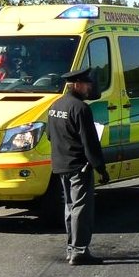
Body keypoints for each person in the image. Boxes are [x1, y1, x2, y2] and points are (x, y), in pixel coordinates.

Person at [47, 67, 109, 266]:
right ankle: (80, 251)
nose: (89, 87)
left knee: (69, 208)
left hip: (60, 164)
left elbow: (49, 135)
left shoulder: (55, 106)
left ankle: (71, 248)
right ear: (77, 84)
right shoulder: (81, 109)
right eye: (87, 84)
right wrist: (101, 168)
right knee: (81, 209)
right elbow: (90, 143)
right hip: (78, 167)